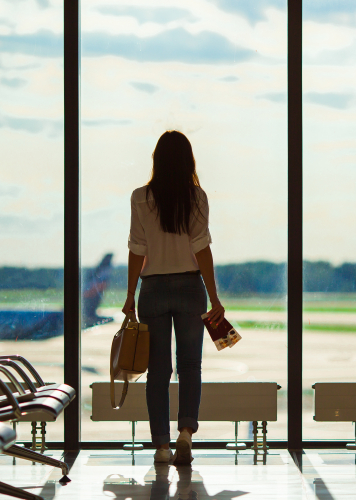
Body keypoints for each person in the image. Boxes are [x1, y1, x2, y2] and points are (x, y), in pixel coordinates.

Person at [122, 130, 225, 464]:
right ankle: (185, 434)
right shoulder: (197, 197)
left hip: (152, 289)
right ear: (187, 161)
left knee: (158, 371)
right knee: (190, 365)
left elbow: (137, 250)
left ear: (157, 160)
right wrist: (214, 297)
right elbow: (202, 249)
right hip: (189, 288)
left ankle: (162, 446)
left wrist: (129, 295)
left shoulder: (140, 197)